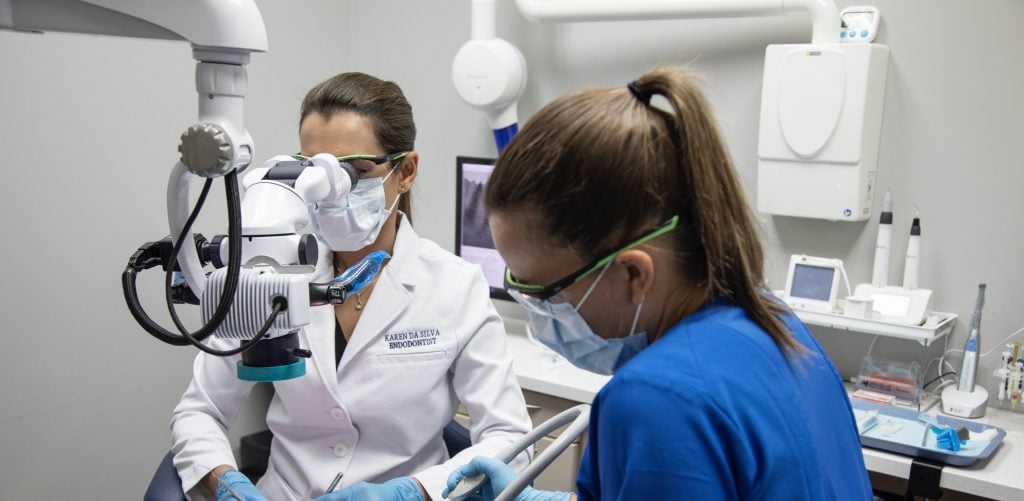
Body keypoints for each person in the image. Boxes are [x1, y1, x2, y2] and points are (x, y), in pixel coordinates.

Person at [443, 66, 873, 500]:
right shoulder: (771, 321)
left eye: (543, 293)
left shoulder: (656, 398)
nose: (537, 315)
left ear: (633, 273)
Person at [171, 72, 533, 501]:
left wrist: (415, 491)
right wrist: (223, 480)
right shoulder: (264, 272)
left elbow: (510, 440)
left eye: (356, 171)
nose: (332, 194)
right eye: (316, 171)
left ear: (407, 170)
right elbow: (200, 411)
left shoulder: (455, 286)